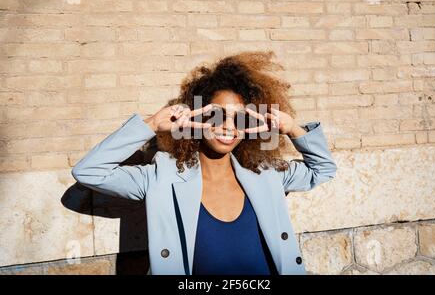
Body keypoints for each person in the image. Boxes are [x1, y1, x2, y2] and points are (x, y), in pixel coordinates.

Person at [71, 51, 337, 275]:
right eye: (216, 115)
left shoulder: (266, 173)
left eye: (241, 118)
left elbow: (322, 169)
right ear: (195, 117)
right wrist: (152, 124)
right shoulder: (161, 177)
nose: (228, 127)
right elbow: (89, 172)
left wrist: (291, 128)